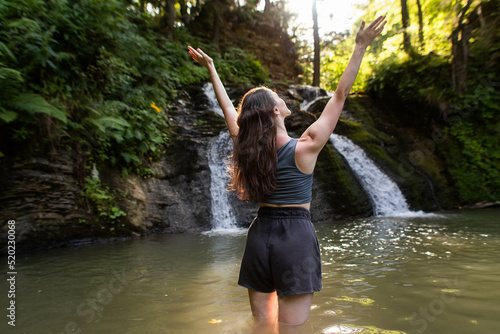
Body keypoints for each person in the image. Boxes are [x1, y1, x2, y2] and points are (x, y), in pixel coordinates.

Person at [188, 15, 386, 331]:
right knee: (293, 329)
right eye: (275, 94)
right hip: (294, 239)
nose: (280, 94)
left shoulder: (247, 148)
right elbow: (339, 96)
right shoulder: (305, 146)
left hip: (259, 235)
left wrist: (211, 67)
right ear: (275, 110)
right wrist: (360, 46)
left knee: (262, 324)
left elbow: (228, 110)